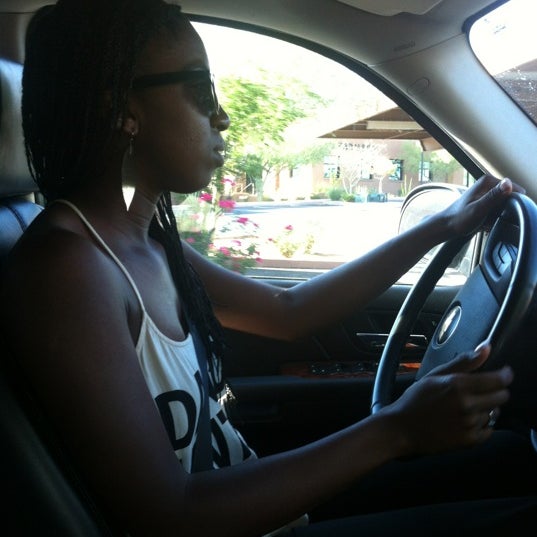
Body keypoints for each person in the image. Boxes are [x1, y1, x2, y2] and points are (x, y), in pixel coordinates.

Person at [1, 1, 536, 535]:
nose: (222, 116)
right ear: (121, 108)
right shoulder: (68, 270)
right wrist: (397, 430)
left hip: (252, 503)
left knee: (507, 457)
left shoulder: (145, 241)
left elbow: (287, 311)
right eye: (201, 91)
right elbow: (167, 516)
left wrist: (441, 225)